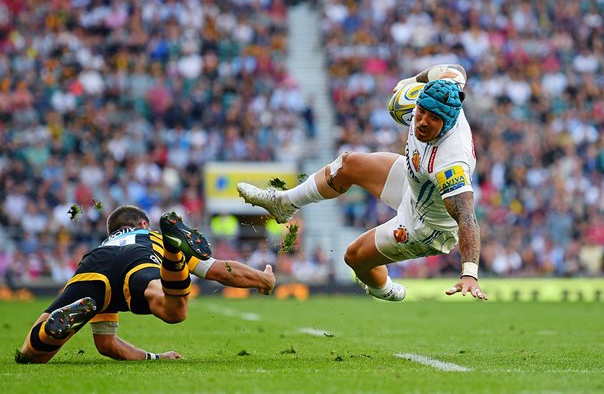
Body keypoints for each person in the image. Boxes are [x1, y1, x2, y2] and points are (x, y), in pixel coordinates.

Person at [237, 64, 487, 302]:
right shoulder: (445, 88)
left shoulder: (452, 161)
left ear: (448, 122)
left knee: (353, 257)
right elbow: (455, 70)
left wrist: (469, 273)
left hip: (427, 225)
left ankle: (384, 289)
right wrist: (413, 81)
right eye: (421, 111)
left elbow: (466, 217)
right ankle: (284, 203)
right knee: (349, 164)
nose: (422, 121)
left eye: (433, 118)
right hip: (415, 182)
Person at [16, 206, 275, 363]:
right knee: (172, 309)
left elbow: (106, 344)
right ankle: (174, 256)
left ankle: (50, 330)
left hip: (93, 266)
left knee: (30, 353)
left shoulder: (105, 244)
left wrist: (154, 357)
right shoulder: (151, 235)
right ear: (142, 224)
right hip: (140, 258)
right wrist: (264, 279)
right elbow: (221, 271)